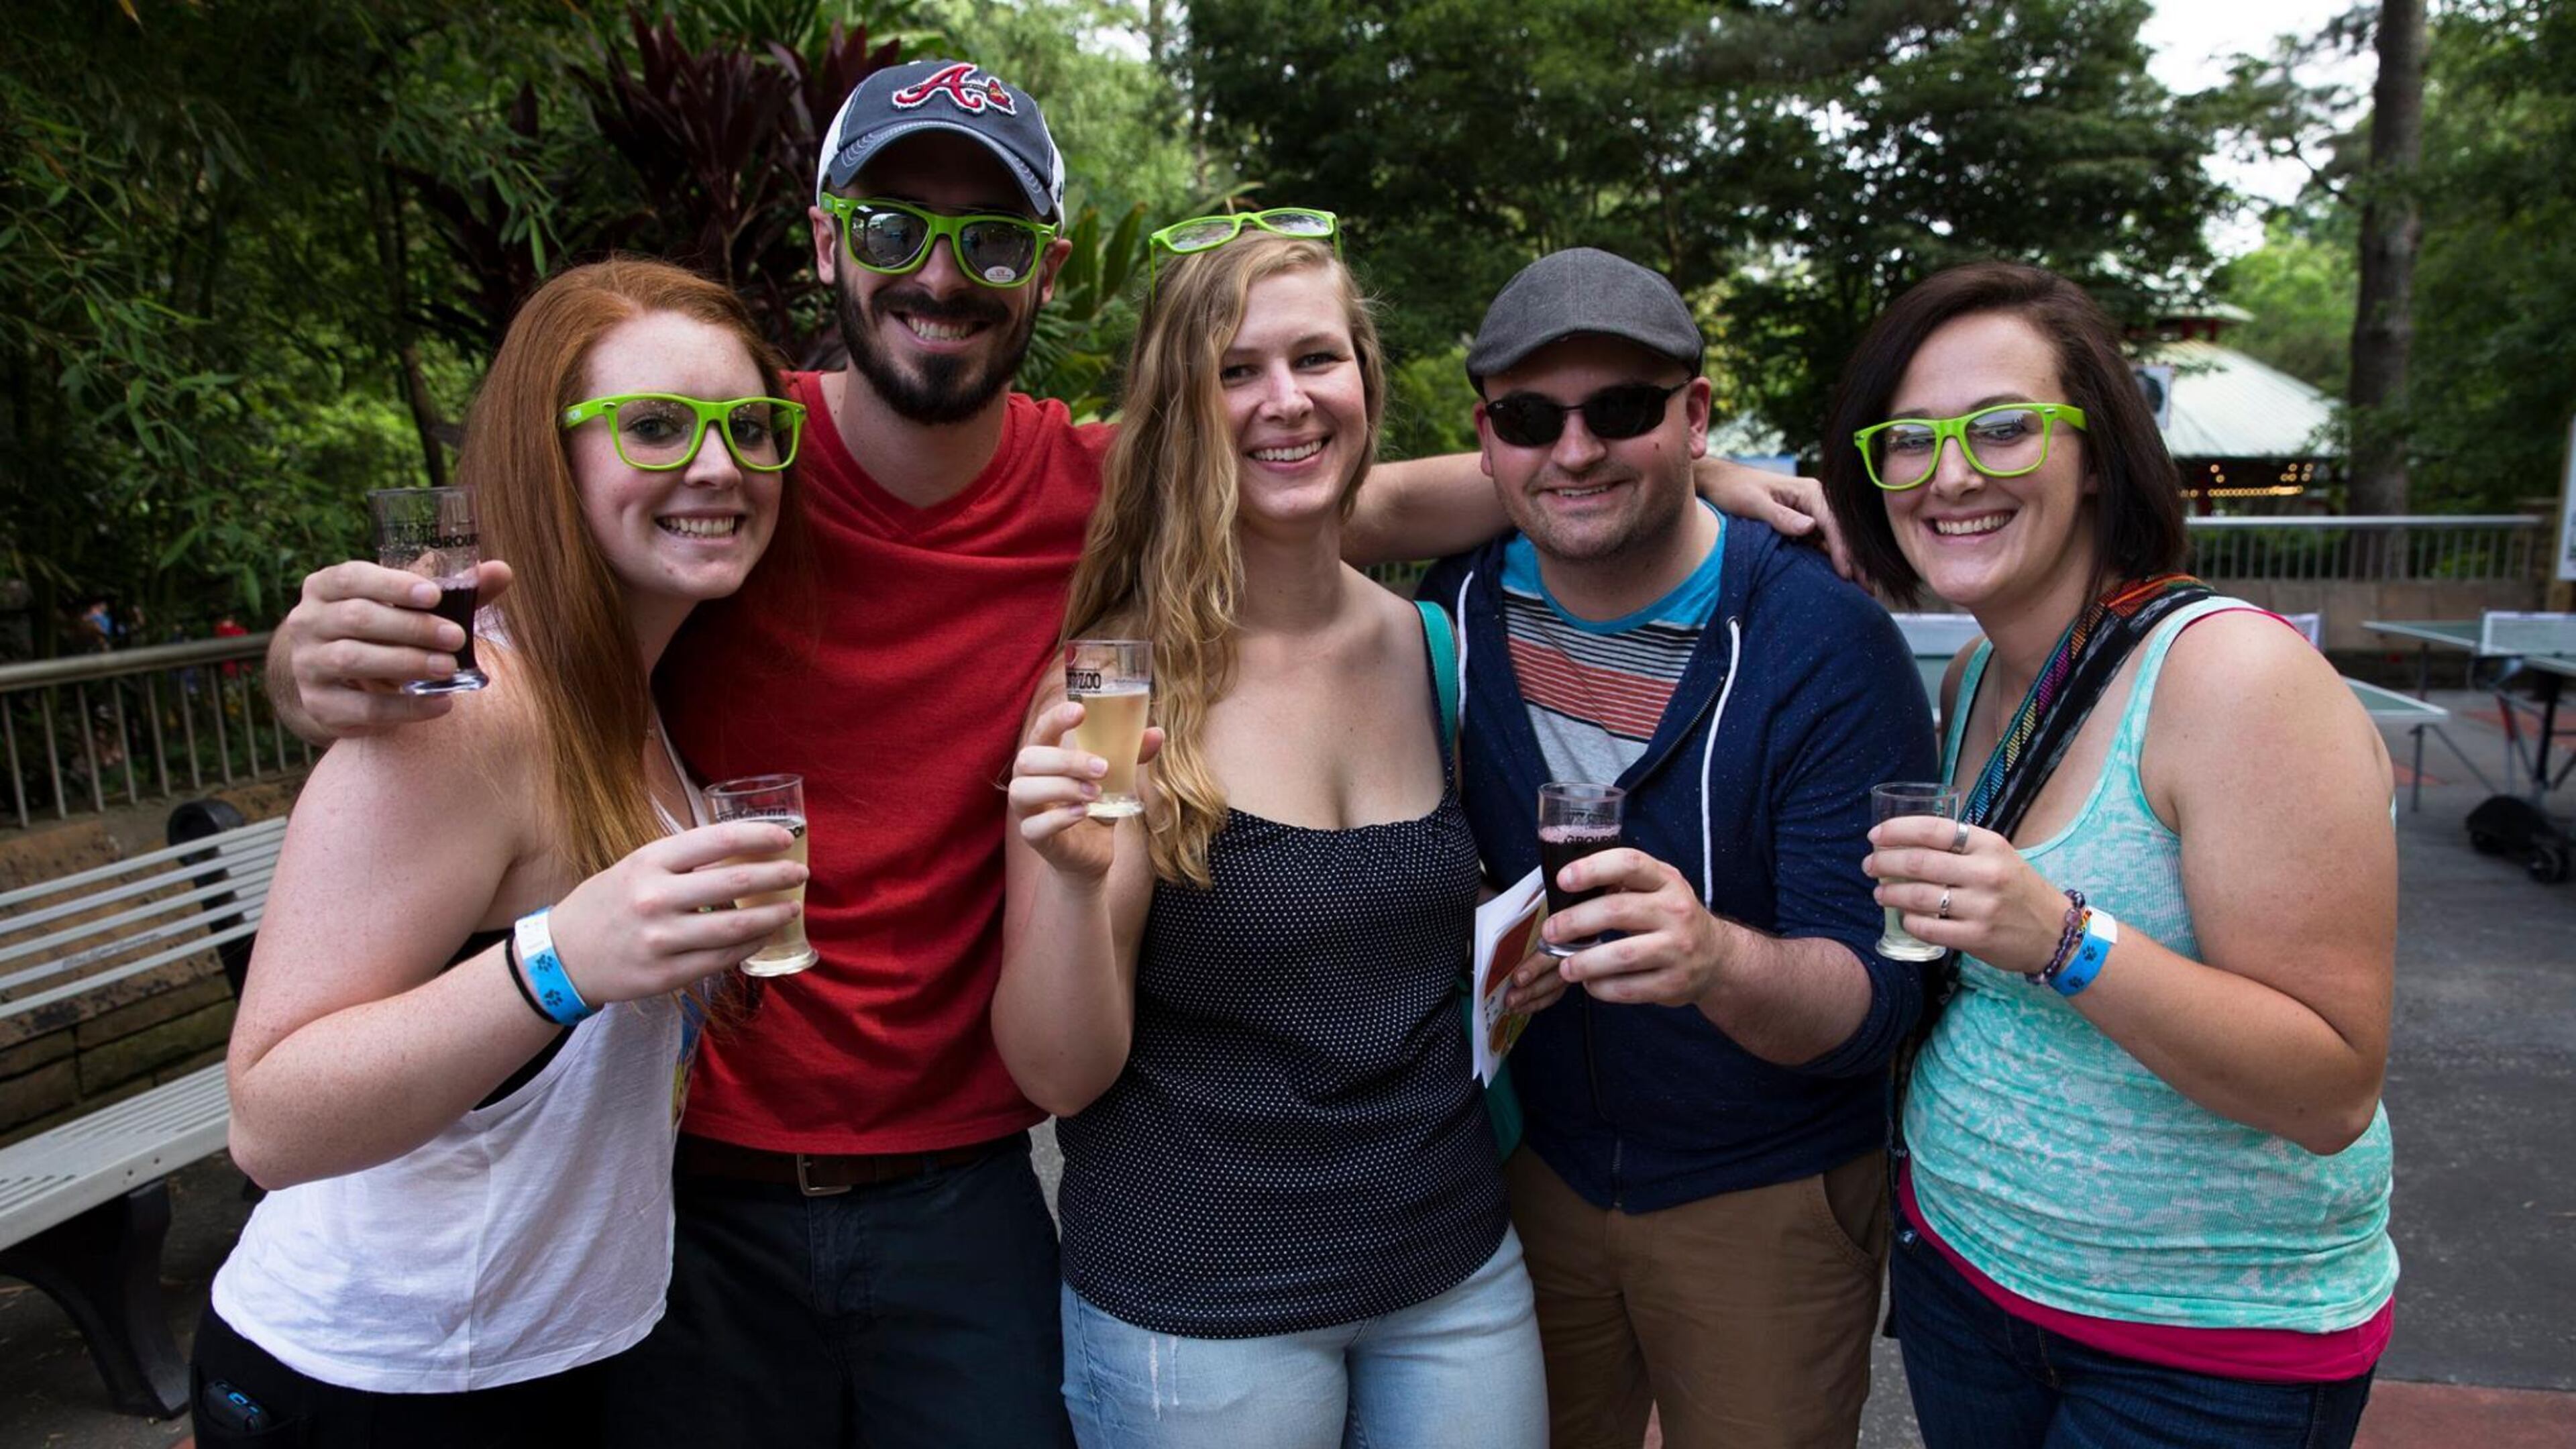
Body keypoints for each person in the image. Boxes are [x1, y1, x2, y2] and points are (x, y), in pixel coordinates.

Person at [260, 60, 1843, 1447]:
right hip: (690, 1187)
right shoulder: (735, 464)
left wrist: (1667, 471)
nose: (939, 277)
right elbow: (512, 611)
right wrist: (318, 650)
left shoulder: (1092, 490)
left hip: (963, 1188)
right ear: (827, 249)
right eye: (891, 230)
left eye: (991, 240)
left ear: (1043, 272)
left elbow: (1333, 486)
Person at [195, 257, 810, 1445]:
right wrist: (559, 961)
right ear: (550, 456)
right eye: (653, 427)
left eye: (749, 426)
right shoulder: (460, 714)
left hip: (556, 1358)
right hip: (378, 1381)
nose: (719, 465)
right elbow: (269, 1121)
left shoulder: (631, 701)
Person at [1826, 261, 2396, 1448]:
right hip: (1967, 1290)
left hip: (2195, 1352)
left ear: (2097, 452)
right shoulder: (1980, 676)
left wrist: (2064, 940)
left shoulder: (2232, 680)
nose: (1953, 473)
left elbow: (2332, 1089)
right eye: (1911, 440)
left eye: (2002, 428)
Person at [999, 223, 1546, 1447]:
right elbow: (1057, 1074)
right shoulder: (1115, 691)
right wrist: (1072, 888)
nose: (1284, 401)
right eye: (1234, 370)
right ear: (1180, 409)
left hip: (1451, 1267)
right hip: (1201, 1305)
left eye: (1317, 358)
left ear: (1366, 381)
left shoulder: (1431, 644)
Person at [1417, 248, 1935, 1449]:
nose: (1577, 449)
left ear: (1697, 416)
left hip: (1763, 1196)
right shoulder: (1446, 623)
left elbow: (1876, 1003)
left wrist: (1712, 960)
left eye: (1625, 409)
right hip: (1519, 1178)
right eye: (1532, 418)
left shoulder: (1822, 642)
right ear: (1486, 440)